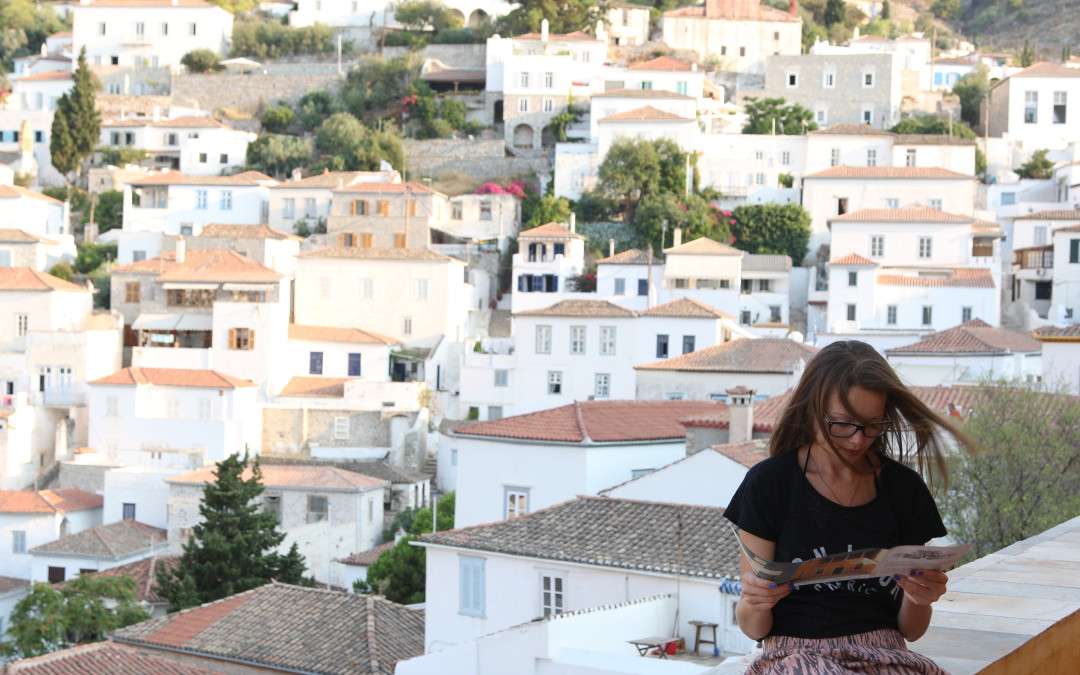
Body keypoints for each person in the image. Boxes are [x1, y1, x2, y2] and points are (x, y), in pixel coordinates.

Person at [724, 340, 978, 674]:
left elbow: (911, 631)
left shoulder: (903, 489)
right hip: (795, 657)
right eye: (843, 424)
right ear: (811, 410)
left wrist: (920, 597)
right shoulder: (769, 484)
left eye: (873, 424)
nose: (858, 439)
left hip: (886, 653)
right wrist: (755, 600)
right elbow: (753, 628)